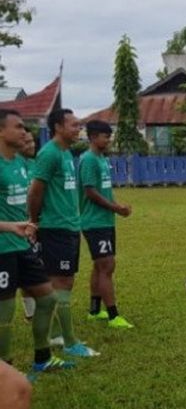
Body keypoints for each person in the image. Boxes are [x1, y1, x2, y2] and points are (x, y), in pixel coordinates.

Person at [0, 109, 74, 374]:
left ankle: (42, 358)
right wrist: (11, 226)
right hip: (3, 249)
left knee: (47, 298)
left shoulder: (20, 163)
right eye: (18, 127)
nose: (24, 131)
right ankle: (5, 371)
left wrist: (30, 224)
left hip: (23, 246)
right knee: (4, 315)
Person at [27, 108, 100, 357]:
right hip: (55, 227)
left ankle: (57, 333)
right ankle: (69, 342)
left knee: (57, 281)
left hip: (69, 226)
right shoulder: (49, 154)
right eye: (73, 124)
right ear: (58, 127)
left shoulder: (67, 152)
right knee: (62, 281)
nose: (78, 128)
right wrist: (34, 223)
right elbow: (35, 191)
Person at [79, 120, 133, 328]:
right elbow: (90, 192)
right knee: (107, 265)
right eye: (105, 136)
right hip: (94, 221)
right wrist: (116, 208)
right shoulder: (89, 160)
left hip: (104, 220)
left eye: (109, 136)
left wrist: (116, 206)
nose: (108, 140)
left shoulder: (101, 159)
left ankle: (94, 310)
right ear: (93, 137)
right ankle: (113, 316)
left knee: (99, 265)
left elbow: (103, 190)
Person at [19, 130, 37, 322]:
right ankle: (30, 312)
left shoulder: (36, 165)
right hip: (14, 226)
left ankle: (32, 312)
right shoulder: (10, 165)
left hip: (34, 225)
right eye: (27, 142)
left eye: (33, 141)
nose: (31, 145)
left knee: (33, 268)